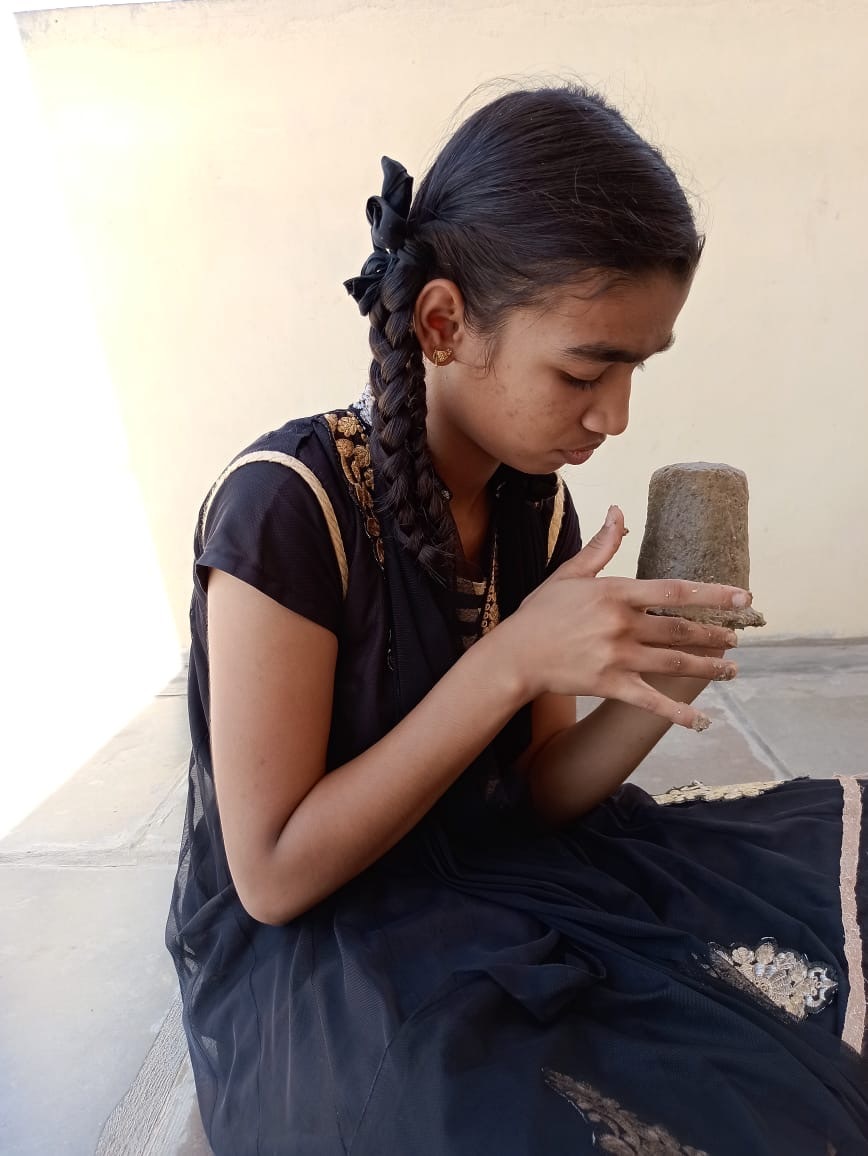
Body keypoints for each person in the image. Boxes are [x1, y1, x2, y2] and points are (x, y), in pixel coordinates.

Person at [166, 85, 868, 1155]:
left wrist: (661, 681)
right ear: (443, 323)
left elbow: (539, 795)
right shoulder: (286, 503)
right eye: (587, 366)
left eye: (638, 365)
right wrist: (505, 662)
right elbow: (269, 876)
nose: (615, 413)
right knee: (478, 1109)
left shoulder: (533, 502)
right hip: (323, 934)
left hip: (486, 867)